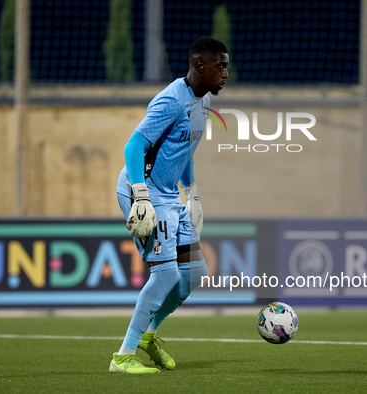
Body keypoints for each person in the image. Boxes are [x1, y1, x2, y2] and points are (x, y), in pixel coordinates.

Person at [110, 37, 229, 374]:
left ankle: (148, 336)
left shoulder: (202, 102)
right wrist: (141, 195)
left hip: (169, 195)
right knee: (165, 275)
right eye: (220, 66)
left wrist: (192, 194)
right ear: (200, 66)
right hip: (144, 190)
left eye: (226, 66)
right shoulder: (170, 101)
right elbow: (133, 147)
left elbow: (185, 152)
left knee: (193, 274)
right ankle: (123, 356)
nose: (225, 73)